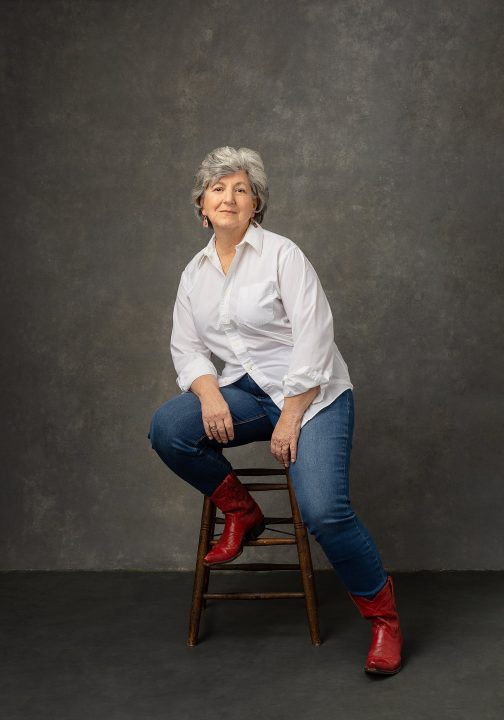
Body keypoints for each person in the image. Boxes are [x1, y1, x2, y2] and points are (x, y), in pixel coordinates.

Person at [148, 146, 404, 675]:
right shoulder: (193, 274)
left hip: (314, 394)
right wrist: (210, 393)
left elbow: (315, 336)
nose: (229, 197)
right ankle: (243, 512)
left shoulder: (283, 255)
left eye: (241, 189)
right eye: (218, 188)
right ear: (202, 204)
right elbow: (187, 348)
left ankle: (384, 620)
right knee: (169, 427)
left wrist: (290, 416)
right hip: (245, 392)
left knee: (325, 512)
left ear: (256, 204)